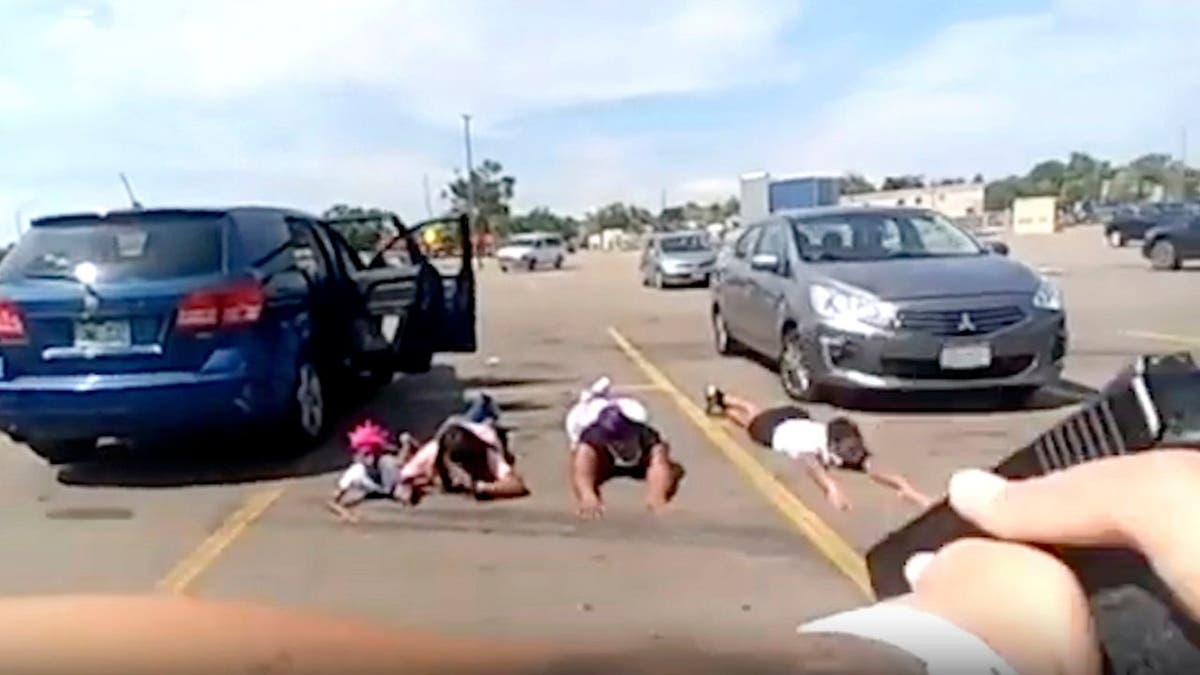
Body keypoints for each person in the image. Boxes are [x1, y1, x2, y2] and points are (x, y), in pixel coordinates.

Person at [704, 385, 931, 510]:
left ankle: (723, 398)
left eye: (854, 449)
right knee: (749, 422)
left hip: (796, 417)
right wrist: (830, 487)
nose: (854, 455)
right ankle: (725, 405)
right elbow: (810, 464)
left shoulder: (847, 446)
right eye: (848, 451)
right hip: (776, 431)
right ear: (833, 446)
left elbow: (874, 468)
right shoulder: (812, 446)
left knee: (756, 413)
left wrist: (905, 487)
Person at [327, 394, 527, 522]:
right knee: (460, 421)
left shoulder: (487, 452)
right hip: (450, 431)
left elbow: (516, 486)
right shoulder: (430, 455)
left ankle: (485, 404)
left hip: (479, 430)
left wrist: (481, 487)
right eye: (455, 467)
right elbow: (404, 475)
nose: (459, 474)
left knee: (482, 415)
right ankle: (480, 405)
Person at [570, 401, 683, 519]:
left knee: (662, 458)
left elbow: (659, 462)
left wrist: (658, 497)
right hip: (602, 452)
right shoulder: (586, 431)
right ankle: (592, 487)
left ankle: (655, 496)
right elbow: (580, 468)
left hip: (638, 446)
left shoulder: (645, 432)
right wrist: (587, 496)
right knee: (584, 455)